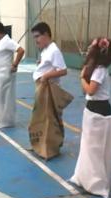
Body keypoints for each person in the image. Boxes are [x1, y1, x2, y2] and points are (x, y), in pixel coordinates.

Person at [69, 37, 111, 198]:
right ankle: (86, 177)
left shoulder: (100, 70)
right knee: (89, 146)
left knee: (95, 148)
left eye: (91, 47)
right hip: (93, 108)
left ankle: (96, 182)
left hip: (99, 109)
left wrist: (82, 78)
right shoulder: (97, 69)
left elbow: (90, 90)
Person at [28, 22, 73, 160]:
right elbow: (49, 65)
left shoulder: (54, 50)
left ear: (46, 34)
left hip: (48, 89)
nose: (36, 40)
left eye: (38, 36)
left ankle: (50, 148)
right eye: (34, 37)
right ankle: (41, 144)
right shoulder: (46, 50)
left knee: (49, 119)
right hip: (42, 88)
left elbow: (62, 70)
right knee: (41, 118)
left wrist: (46, 76)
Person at [0, 21, 24, 128]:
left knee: (4, 98)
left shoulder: (7, 41)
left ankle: (6, 121)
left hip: (4, 73)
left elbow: (21, 50)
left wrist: (15, 64)